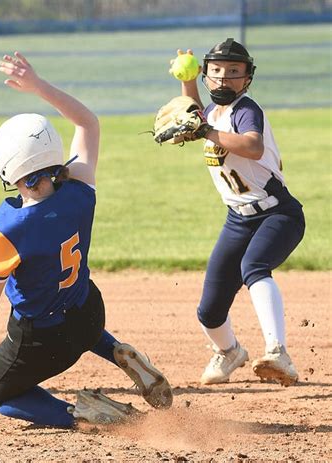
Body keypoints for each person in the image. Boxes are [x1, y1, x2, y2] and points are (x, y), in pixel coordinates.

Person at [0, 51, 172, 427]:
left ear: (8, 170)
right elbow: (88, 122)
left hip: (44, 341)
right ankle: (115, 348)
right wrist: (38, 86)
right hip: (90, 314)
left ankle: (86, 415)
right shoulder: (80, 188)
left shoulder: (8, 227)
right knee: (75, 303)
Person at [175, 38, 305, 386]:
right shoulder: (214, 115)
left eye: (234, 72)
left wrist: (205, 131)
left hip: (278, 214)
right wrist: (187, 79)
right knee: (209, 309)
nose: (223, 79)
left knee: (254, 267)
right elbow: (194, 113)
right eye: (215, 72)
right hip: (238, 219)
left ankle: (278, 353)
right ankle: (229, 351)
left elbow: (251, 145)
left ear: (247, 78)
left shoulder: (246, 109)